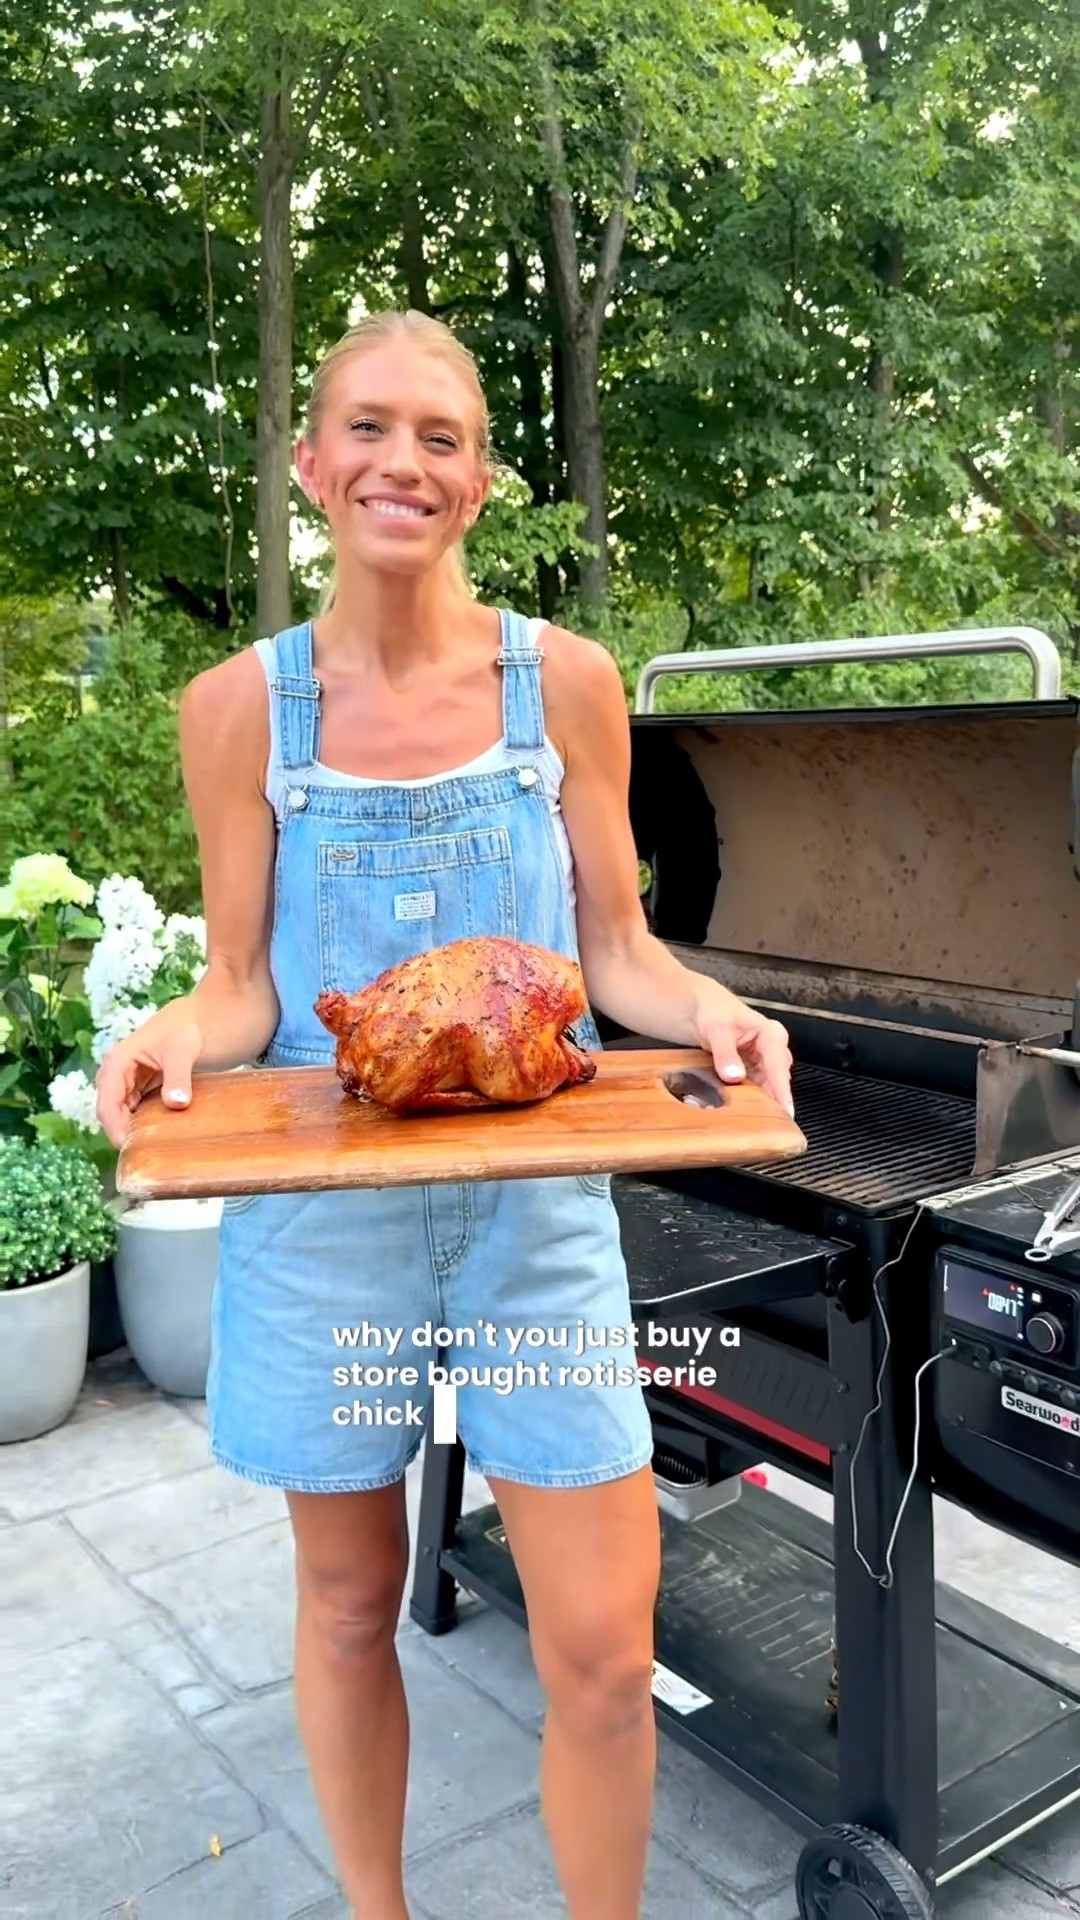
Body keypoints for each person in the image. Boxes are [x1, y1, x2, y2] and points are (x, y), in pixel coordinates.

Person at [96, 308, 793, 1919]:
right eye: (367, 428)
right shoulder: (235, 711)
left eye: (442, 437)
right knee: (348, 1615)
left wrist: (720, 1014)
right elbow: (248, 995)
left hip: (533, 1229)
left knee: (606, 1654)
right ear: (308, 462)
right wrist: (163, 1036)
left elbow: (615, 953)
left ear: (481, 481)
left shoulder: (568, 686)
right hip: (326, 1234)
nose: (401, 461)